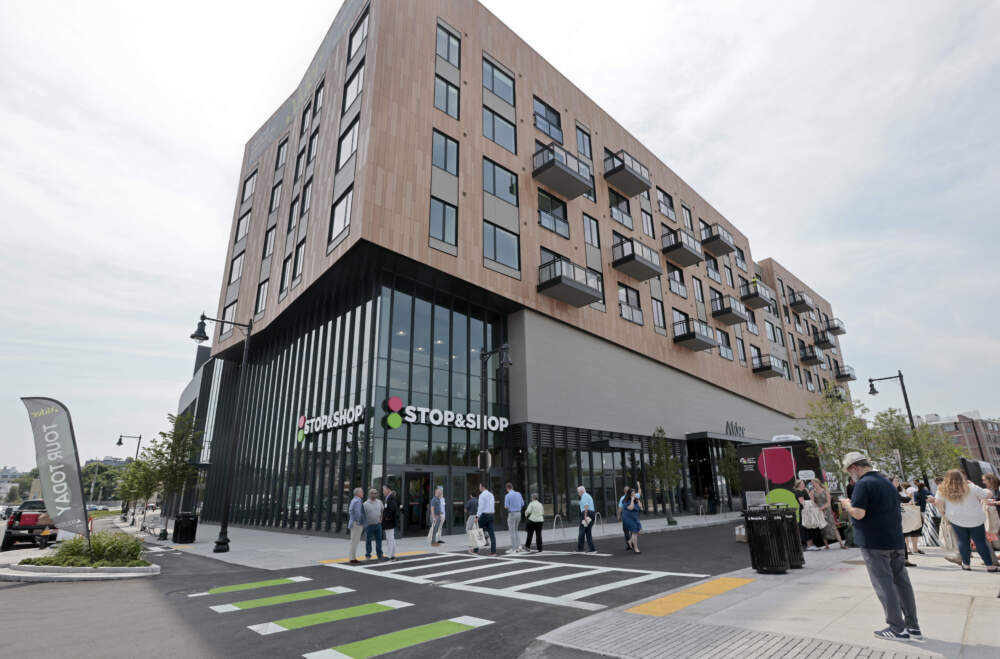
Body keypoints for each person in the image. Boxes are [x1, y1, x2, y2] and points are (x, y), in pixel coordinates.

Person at [838, 452, 921, 641]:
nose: (851, 475)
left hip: (874, 542)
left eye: (850, 471)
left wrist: (847, 504)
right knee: (902, 583)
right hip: (895, 540)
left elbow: (858, 513)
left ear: (854, 468)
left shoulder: (863, 484)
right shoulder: (887, 482)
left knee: (884, 584)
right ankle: (912, 625)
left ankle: (896, 628)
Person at [928, 469, 997, 572]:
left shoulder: (942, 489)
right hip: (975, 518)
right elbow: (987, 495)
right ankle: (989, 565)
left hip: (956, 519)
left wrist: (943, 512)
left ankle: (966, 564)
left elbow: (938, 502)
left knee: (963, 541)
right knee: (980, 541)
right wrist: (987, 490)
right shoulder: (970, 487)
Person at [811, 479, 846, 549]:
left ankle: (841, 544)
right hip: (819, 511)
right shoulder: (812, 492)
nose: (812, 484)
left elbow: (829, 502)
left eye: (813, 483)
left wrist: (822, 508)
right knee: (822, 528)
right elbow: (812, 502)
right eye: (812, 483)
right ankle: (827, 545)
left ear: (817, 482)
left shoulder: (825, 490)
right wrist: (818, 508)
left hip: (827, 510)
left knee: (833, 527)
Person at [794, 479, 819, 551]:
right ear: (799, 485)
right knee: (806, 527)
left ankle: (811, 544)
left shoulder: (804, 491)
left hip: (808, 510)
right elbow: (802, 502)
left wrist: (808, 491)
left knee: (810, 526)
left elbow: (810, 498)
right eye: (802, 483)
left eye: (804, 483)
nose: (804, 484)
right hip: (804, 511)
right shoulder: (798, 492)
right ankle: (809, 545)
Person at [474, 482, 497, 556]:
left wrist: (477, 516)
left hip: (484, 515)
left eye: (479, 486)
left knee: (478, 532)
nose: (479, 488)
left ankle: (475, 550)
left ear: (483, 487)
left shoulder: (482, 495)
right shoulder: (491, 494)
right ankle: (493, 552)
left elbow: (480, 507)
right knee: (492, 533)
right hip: (491, 515)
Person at [908, 480, 930, 555]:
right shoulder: (926, 492)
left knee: (918, 528)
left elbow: (915, 502)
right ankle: (916, 548)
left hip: (918, 511)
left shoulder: (915, 493)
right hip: (925, 511)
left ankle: (914, 548)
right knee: (922, 528)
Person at [363, 488, 385, 561]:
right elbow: (363, 515)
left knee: (379, 540)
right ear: (369, 494)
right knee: (368, 540)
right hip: (369, 525)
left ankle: (380, 555)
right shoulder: (365, 504)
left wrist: (381, 519)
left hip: (378, 524)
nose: (374, 494)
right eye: (372, 493)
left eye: (375, 493)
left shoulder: (379, 502)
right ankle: (368, 555)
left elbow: (382, 511)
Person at [504, 482, 525, 553]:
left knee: (512, 531)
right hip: (519, 513)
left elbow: (506, 506)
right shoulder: (519, 494)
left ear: (507, 488)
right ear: (512, 487)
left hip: (512, 514)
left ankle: (513, 548)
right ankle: (519, 546)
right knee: (516, 530)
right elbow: (522, 504)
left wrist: (510, 506)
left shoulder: (507, 495)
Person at [347, 487, 365, 564]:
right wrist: (359, 521)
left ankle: (352, 557)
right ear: (358, 493)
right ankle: (352, 558)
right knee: (355, 541)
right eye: (362, 492)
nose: (363, 493)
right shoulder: (358, 501)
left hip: (353, 523)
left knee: (353, 541)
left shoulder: (353, 500)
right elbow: (358, 513)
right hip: (356, 523)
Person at [576, 485, 596, 553]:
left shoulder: (584, 496)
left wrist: (585, 516)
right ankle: (592, 548)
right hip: (591, 513)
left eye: (578, 492)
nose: (578, 493)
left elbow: (586, 506)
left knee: (581, 531)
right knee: (588, 531)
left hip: (586, 513)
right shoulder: (588, 495)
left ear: (581, 491)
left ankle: (580, 548)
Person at [622, 488, 643, 553]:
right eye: (632, 494)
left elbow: (640, 506)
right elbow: (631, 508)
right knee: (634, 532)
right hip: (628, 518)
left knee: (640, 531)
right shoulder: (625, 501)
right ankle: (636, 549)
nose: (633, 495)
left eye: (634, 494)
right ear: (629, 494)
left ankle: (630, 541)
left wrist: (637, 499)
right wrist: (632, 500)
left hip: (635, 517)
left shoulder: (635, 500)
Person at [381, 484, 398, 561]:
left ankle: (389, 555)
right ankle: (392, 554)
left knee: (389, 539)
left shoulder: (391, 497)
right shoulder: (389, 497)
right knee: (391, 539)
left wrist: (387, 517)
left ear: (388, 490)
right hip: (389, 521)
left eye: (384, 490)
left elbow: (393, 508)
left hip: (389, 522)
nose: (383, 492)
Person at [618, 486, 632, 551]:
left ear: (624, 491)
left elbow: (620, 508)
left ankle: (629, 545)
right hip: (631, 516)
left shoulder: (622, 498)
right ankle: (633, 543)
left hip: (625, 516)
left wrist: (619, 516)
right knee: (632, 530)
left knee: (626, 531)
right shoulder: (632, 497)